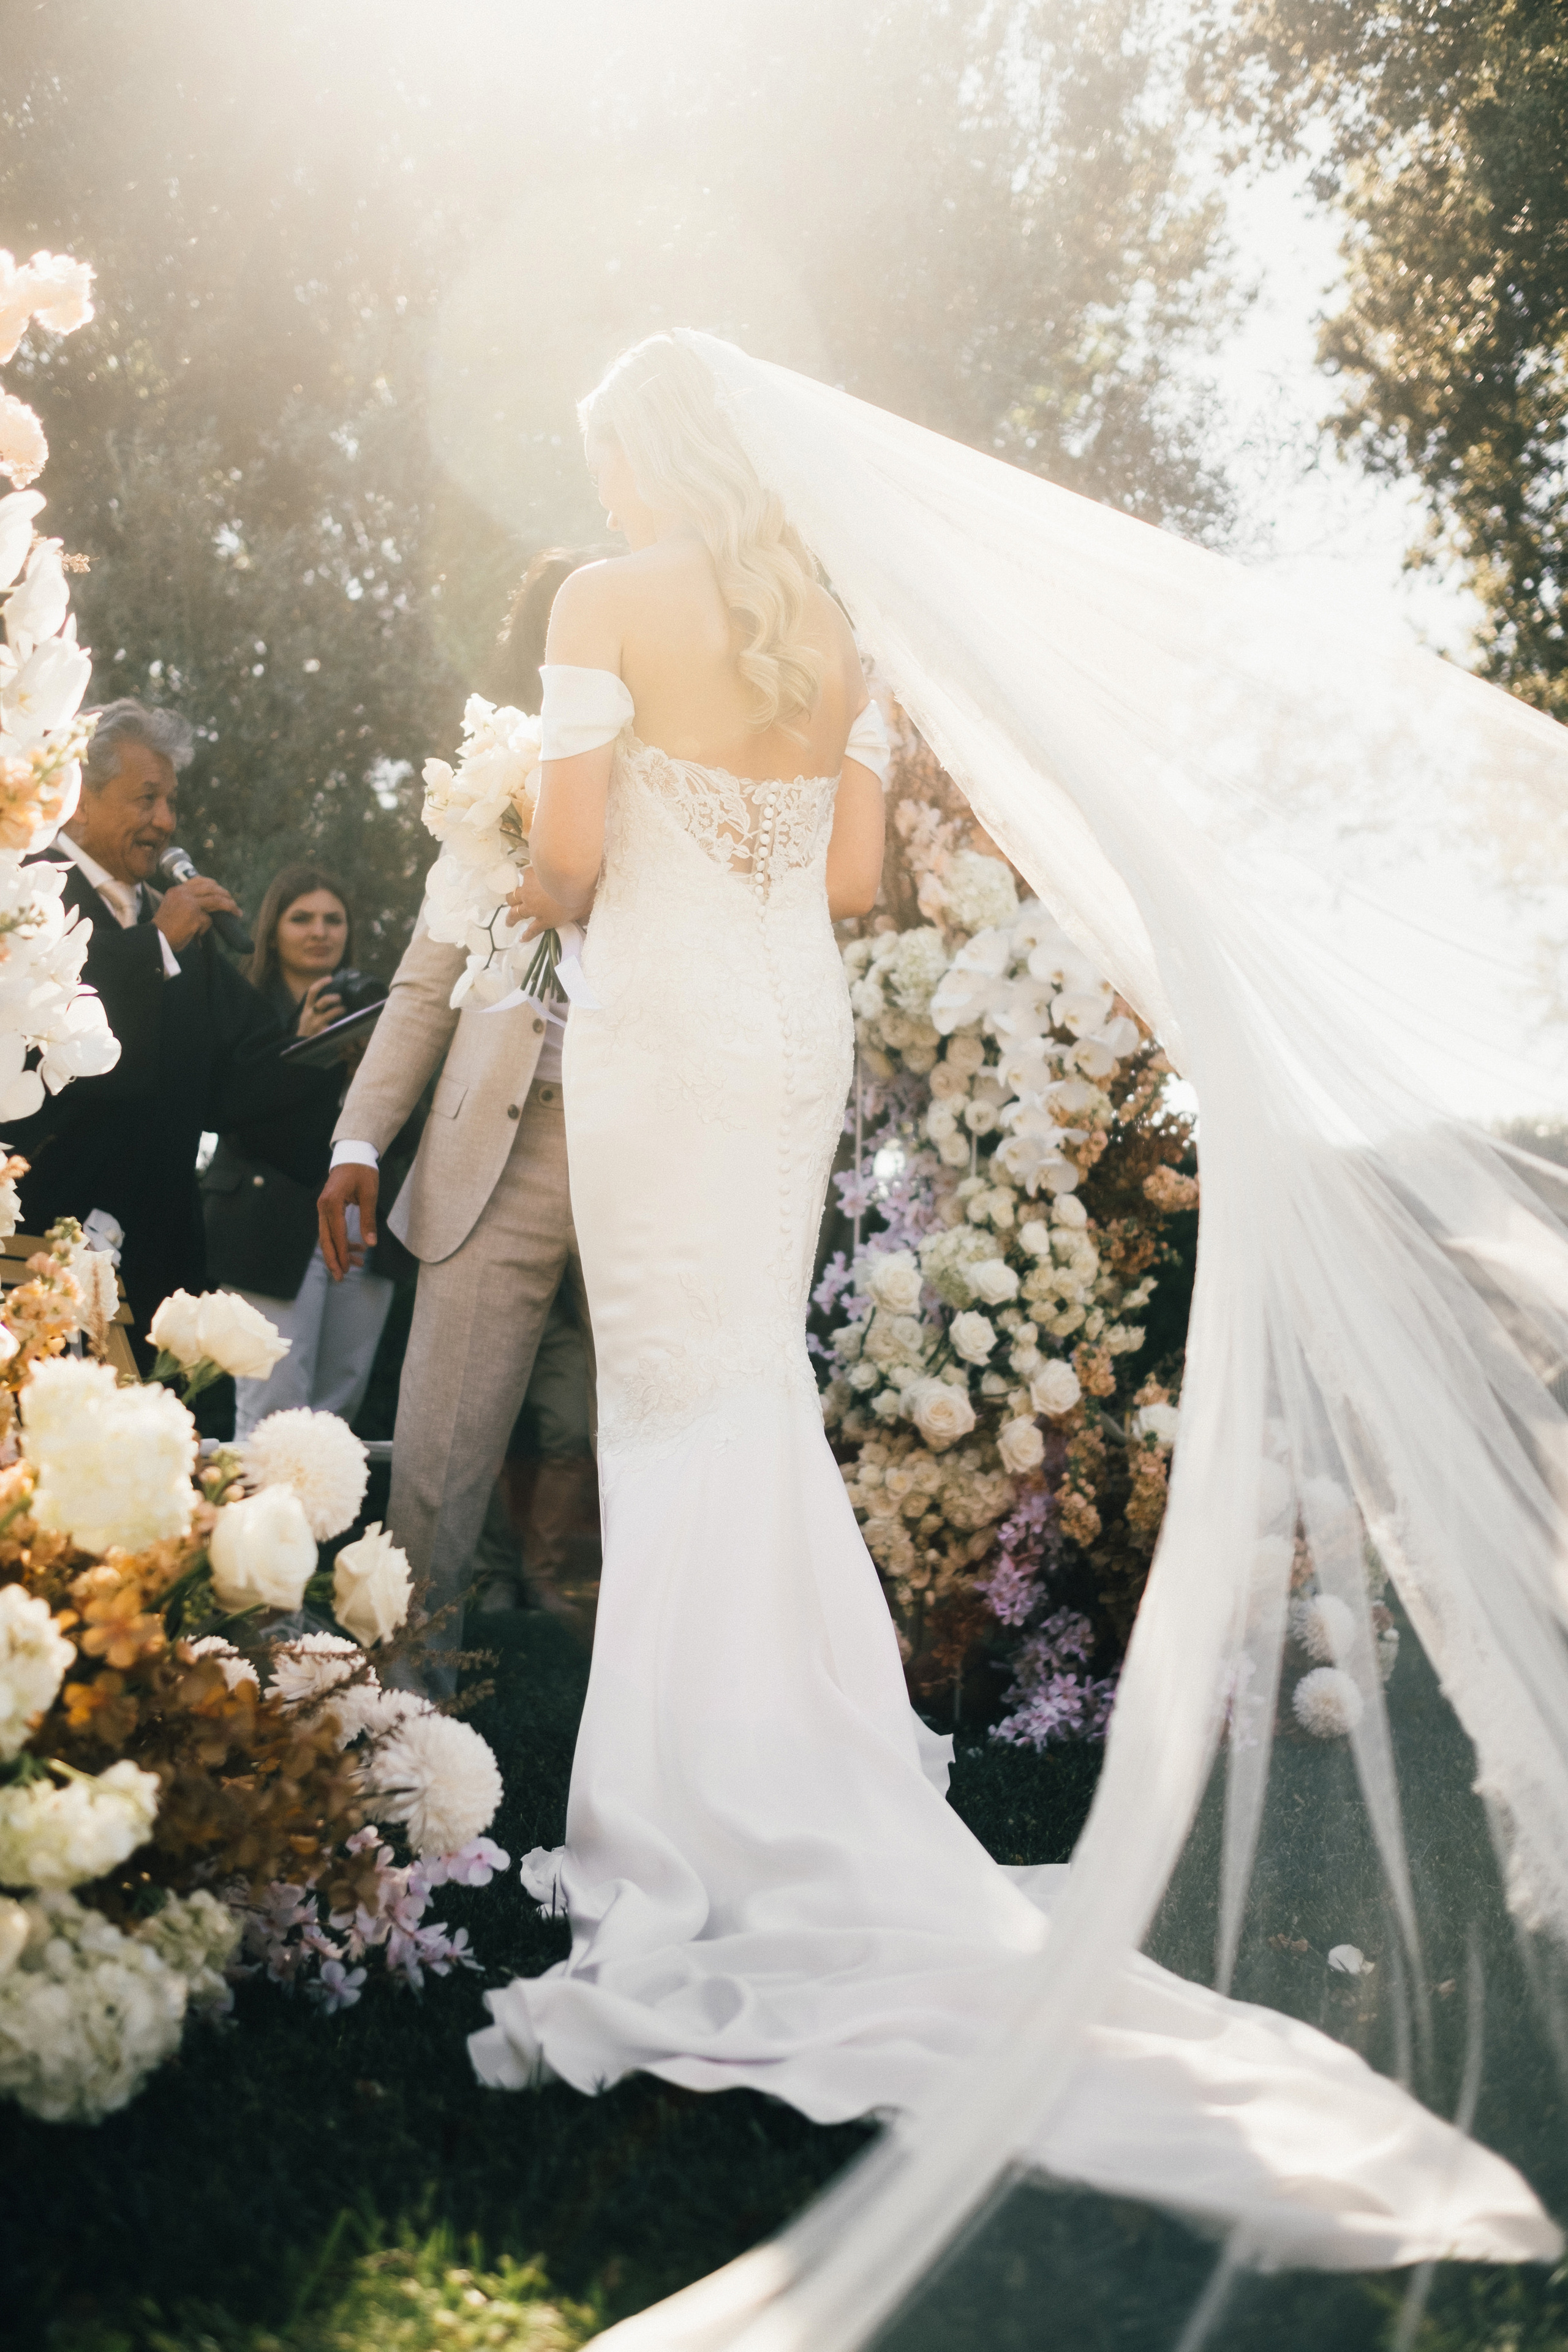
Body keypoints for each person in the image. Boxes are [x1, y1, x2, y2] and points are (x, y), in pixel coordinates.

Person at [465, 334, 1561, 2302]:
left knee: (673, 1400)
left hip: (661, 1035)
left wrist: (515, 864)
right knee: (744, 1396)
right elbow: (866, 873)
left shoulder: (601, 594)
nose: (612, 495)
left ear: (646, 458)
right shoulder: (827, 622)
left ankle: (686, 1813)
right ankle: (798, 1785)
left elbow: (563, 858)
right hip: (785, 1030)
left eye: (612, 460)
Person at [317, 552, 604, 1683]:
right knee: (435, 1460)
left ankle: (667, 1739)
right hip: (501, 1145)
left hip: (649, 1147)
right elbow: (425, 985)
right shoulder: (497, 785)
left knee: (666, 1441)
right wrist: (357, 1140)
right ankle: (399, 1721)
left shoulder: (687, 783)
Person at [7, 699, 337, 1347]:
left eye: (170, 801)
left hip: (157, 1258)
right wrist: (154, 948)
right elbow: (53, 1042)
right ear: (78, 800)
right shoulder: (29, 898)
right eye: (146, 798)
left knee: (143, 1440)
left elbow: (241, 1078)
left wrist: (343, 1066)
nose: (166, 821)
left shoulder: (179, 924)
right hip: (40, 1250)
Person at [201, 864, 395, 1441]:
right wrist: (303, 1049)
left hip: (359, 1228)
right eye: (302, 918)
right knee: (272, 1413)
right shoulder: (244, 1004)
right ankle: (253, 1531)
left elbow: (409, 1129)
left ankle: (315, 1533)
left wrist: (370, 1075)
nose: (320, 931)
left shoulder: (377, 1006)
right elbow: (229, 1115)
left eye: (333, 919)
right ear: (273, 930)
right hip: (269, 1227)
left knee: (337, 1415)